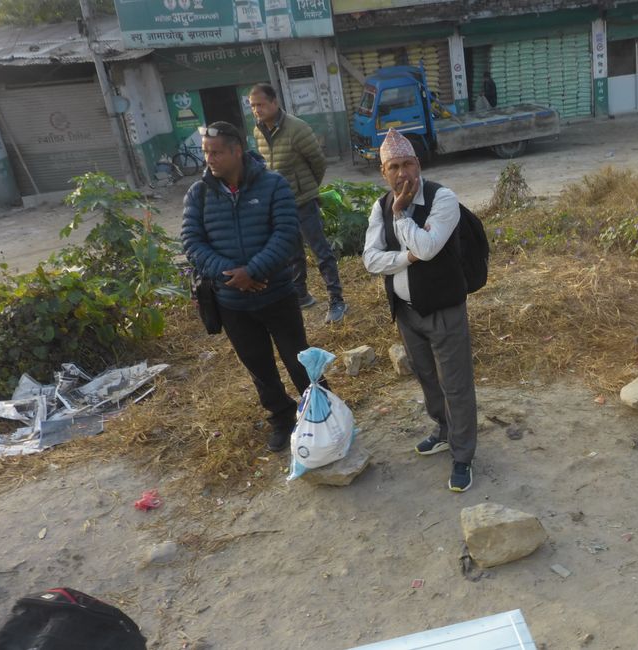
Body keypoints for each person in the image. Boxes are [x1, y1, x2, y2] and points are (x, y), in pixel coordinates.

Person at [182, 121, 323, 453]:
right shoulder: (198, 194)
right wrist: (231, 275)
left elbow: (286, 232)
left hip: (276, 295)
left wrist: (255, 270)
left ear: (236, 150)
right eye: (205, 153)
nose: (209, 159)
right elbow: (191, 242)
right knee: (258, 367)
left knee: (299, 360)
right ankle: (282, 417)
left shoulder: (273, 185)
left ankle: (320, 413)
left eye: (215, 152)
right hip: (232, 302)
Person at [362, 129, 478, 493]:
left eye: (408, 164)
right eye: (393, 166)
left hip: (444, 309)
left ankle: (463, 456)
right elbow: (370, 258)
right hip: (407, 313)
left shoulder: (443, 199)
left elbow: (428, 248)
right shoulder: (379, 205)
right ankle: (443, 430)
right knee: (427, 377)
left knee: (455, 385)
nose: (402, 173)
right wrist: (404, 258)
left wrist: (401, 216)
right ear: (384, 172)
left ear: (419, 164)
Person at [249, 83, 348, 322]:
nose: (256, 110)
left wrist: (308, 188)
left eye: (260, 104)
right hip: (280, 205)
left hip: (303, 202)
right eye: (252, 106)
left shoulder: (297, 128)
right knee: (292, 254)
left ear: (275, 103)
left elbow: (318, 162)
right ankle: (302, 295)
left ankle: (337, 300)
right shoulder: (258, 131)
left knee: (321, 252)